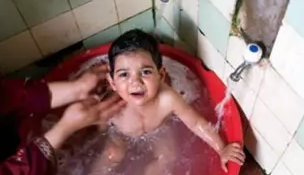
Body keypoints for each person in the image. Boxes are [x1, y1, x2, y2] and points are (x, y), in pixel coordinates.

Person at [94, 29, 245, 167]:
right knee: (113, 153)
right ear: (112, 82)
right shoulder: (111, 104)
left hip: (157, 132)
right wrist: (96, 139)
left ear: (160, 75)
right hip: (121, 136)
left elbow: (196, 123)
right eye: (124, 74)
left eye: (145, 72)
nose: (135, 82)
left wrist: (221, 148)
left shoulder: (168, 98)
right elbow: (99, 126)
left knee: (168, 155)